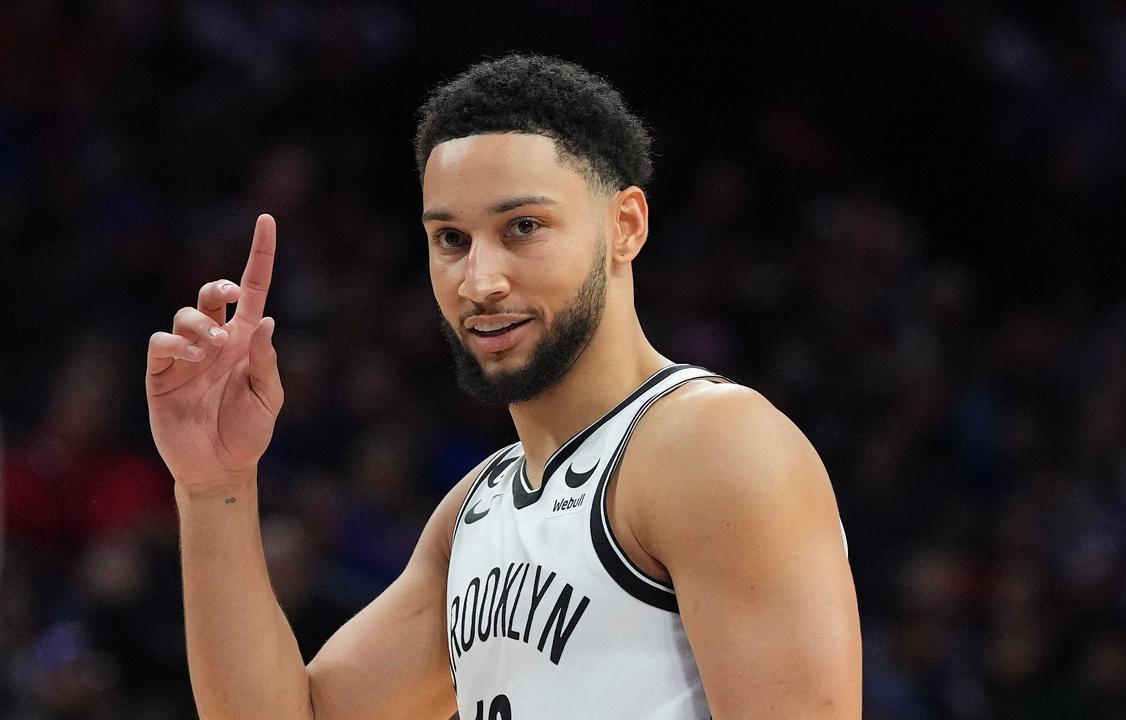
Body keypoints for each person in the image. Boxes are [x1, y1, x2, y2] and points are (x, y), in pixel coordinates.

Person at [145, 53, 861, 719]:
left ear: (625, 226)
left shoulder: (712, 444)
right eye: (450, 239)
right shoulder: (475, 512)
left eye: (523, 226)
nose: (479, 281)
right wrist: (215, 488)